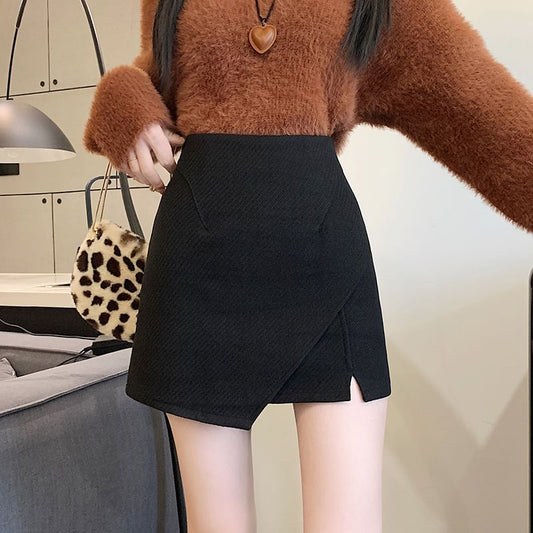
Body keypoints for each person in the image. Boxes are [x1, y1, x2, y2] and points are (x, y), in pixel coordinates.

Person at [82, 0, 533, 531]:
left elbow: (471, 97)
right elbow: (156, 76)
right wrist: (124, 102)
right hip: (197, 268)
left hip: (325, 263)